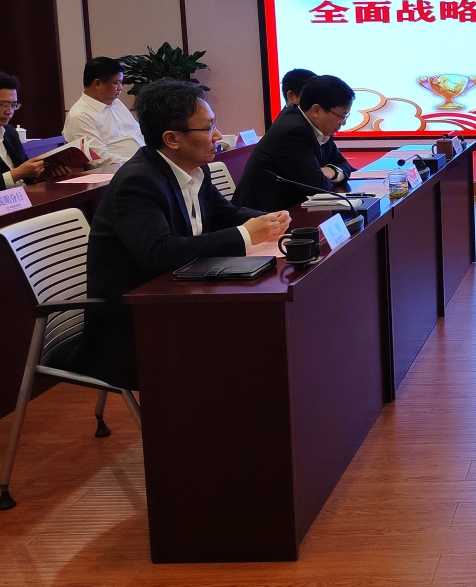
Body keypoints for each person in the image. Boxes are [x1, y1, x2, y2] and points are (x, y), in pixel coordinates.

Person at [85, 80, 290, 389]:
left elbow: (224, 213)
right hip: (135, 321)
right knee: (250, 340)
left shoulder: (194, 167)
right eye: (208, 129)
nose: (218, 137)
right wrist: (245, 235)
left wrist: (268, 221)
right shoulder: (138, 181)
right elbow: (159, 254)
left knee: (261, 329)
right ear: (172, 138)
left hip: (183, 296)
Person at [234, 74, 357, 211]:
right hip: (260, 214)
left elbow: (344, 165)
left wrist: (332, 172)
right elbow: (319, 187)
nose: (343, 123)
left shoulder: (319, 126)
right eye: (342, 116)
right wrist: (330, 174)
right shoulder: (294, 132)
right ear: (316, 110)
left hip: (289, 209)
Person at [63, 56, 145, 166]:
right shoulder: (80, 116)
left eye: (121, 83)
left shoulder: (115, 102)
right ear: (97, 84)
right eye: (116, 83)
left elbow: (138, 132)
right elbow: (100, 159)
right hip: (119, 171)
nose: (120, 88)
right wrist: (141, 165)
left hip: (142, 163)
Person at [0, 71, 48, 189]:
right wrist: (16, 174)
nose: (10, 112)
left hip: (25, 195)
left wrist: (48, 172)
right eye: (4, 105)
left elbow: (28, 174)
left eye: (13, 105)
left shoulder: (10, 132)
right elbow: (21, 172)